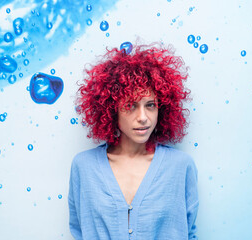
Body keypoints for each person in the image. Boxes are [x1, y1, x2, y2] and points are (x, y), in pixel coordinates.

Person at [68, 43, 199, 240]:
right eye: (131, 105)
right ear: (112, 109)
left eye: (150, 105)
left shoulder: (180, 166)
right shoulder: (84, 166)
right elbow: (79, 231)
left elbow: (188, 232)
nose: (143, 117)